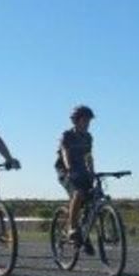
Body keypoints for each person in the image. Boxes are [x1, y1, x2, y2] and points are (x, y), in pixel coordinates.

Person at [55, 104, 96, 253]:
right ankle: (72, 228)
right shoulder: (67, 135)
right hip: (65, 171)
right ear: (76, 121)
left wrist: (92, 172)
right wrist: (69, 168)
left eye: (89, 121)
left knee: (93, 200)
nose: (87, 124)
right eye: (85, 121)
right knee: (78, 194)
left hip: (82, 171)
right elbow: (65, 152)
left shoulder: (88, 137)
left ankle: (83, 233)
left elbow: (88, 157)